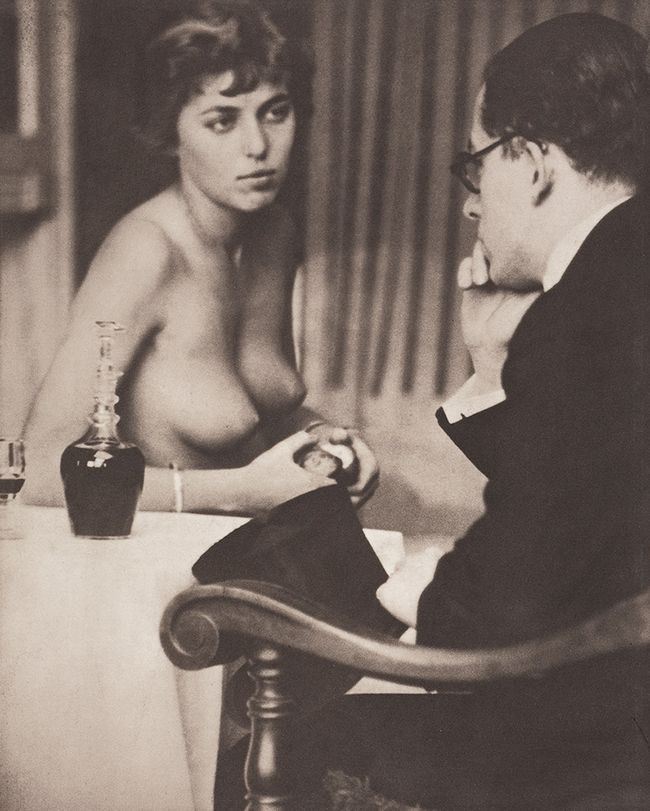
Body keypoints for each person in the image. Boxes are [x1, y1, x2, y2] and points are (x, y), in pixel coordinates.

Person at [218, 12, 649, 810]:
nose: (471, 206)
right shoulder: (622, 268)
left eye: (475, 167)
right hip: (617, 701)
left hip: (597, 742)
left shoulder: (581, 311)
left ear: (533, 163)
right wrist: (494, 364)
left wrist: (410, 591)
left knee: (275, 746)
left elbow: (497, 609)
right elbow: (584, 507)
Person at [23, 0, 378, 516]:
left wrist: (322, 435)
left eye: (276, 112)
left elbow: (258, 415)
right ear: (171, 133)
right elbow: (34, 473)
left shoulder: (274, 234)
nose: (258, 146)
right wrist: (243, 492)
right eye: (222, 121)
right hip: (155, 558)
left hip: (253, 546)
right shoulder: (146, 251)